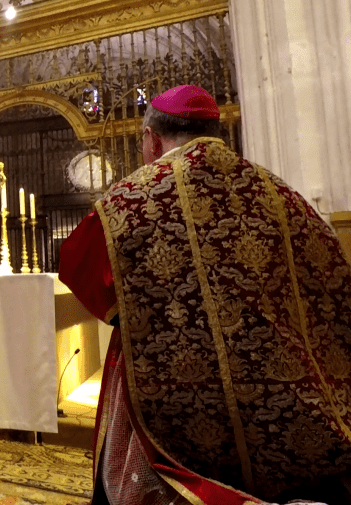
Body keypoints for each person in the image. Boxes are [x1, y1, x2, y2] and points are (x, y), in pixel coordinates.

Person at [58, 85, 351, 505]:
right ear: (216, 131)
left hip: (173, 398)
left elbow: (78, 260)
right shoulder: (280, 194)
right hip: (285, 393)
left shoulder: (131, 199)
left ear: (151, 139)